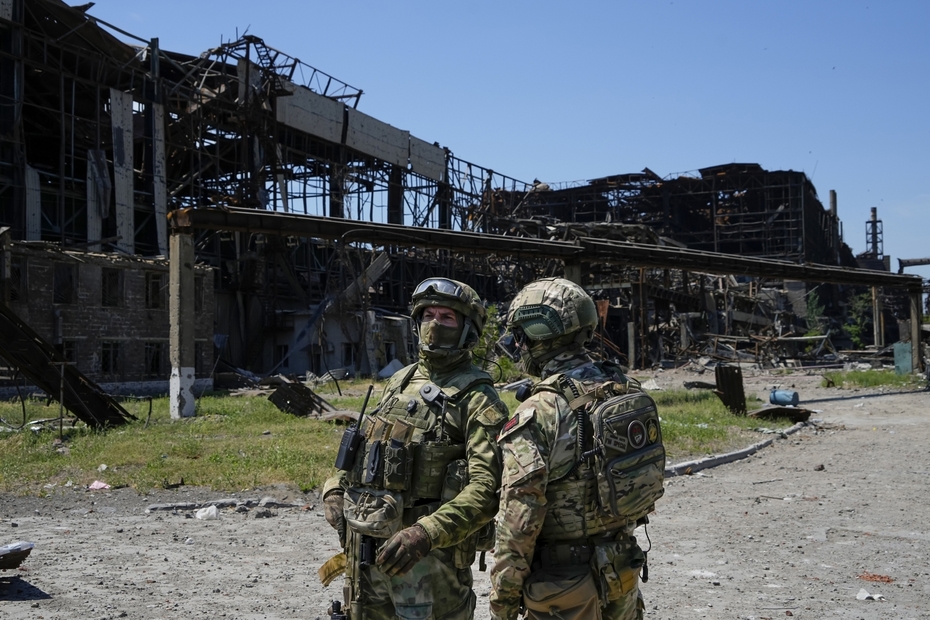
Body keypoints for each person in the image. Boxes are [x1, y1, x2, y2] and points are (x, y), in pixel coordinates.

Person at [322, 277, 509, 620]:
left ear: (467, 329)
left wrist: (426, 533)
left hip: (430, 566)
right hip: (367, 556)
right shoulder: (399, 381)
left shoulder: (478, 399)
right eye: (428, 315)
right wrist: (334, 488)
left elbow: (486, 490)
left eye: (446, 318)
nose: (434, 325)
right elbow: (364, 449)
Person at [490, 277, 662, 620]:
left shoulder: (539, 412)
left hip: (563, 588)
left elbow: (518, 523)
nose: (518, 345)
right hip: (621, 571)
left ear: (537, 335)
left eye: (521, 335)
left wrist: (503, 604)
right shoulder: (623, 387)